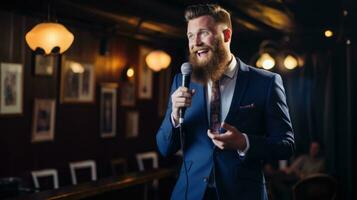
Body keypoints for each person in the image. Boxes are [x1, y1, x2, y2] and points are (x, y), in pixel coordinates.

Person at [156, 4, 295, 200]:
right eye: (190, 36)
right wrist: (174, 117)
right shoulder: (181, 81)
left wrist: (244, 142)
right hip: (189, 194)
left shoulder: (266, 82)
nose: (195, 42)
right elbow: (164, 148)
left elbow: (286, 145)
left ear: (227, 35)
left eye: (203, 33)